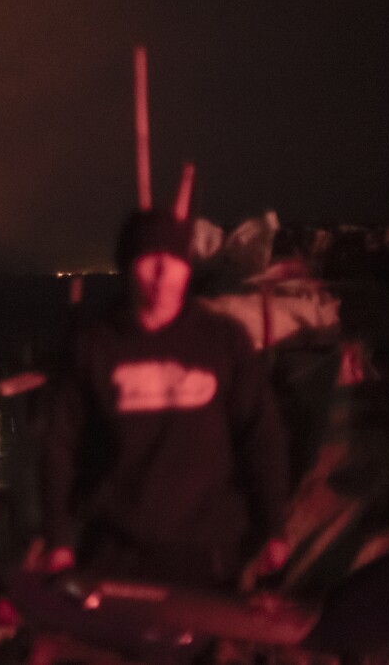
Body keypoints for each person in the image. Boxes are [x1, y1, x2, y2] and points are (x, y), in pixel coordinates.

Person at [40, 208, 291, 587]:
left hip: (208, 546)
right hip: (116, 544)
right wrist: (58, 537)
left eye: (172, 259)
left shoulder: (223, 340)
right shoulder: (94, 345)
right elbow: (60, 444)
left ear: (187, 268)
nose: (161, 272)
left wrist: (273, 526)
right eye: (148, 258)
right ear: (128, 266)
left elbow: (260, 435)